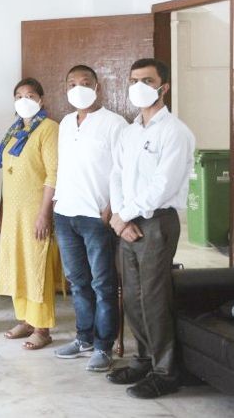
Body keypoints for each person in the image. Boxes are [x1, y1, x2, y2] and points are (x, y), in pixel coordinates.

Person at [107, 58, 194, 399]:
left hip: (156, 221)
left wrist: (124, 215)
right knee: (131, 295)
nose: (139, 86)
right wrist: (120, 216)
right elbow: (116, 174)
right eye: (134, 80)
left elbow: (163, 184)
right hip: (127, 222)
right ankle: (144, 358)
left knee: (154, 297)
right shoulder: (130, 132)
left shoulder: (174, 131)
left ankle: (166, 371)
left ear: (164, 86)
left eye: (147, 79)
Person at [52, 65, 126, 371]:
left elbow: (123, 169)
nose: (78, 88)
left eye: (85, 82)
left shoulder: (115, 123)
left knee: (103, 284)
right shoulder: (67, 123)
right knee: (78, 282)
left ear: (98, 86)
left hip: (96, 217)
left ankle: (103, 346)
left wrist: (113, 205)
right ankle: (84, 338)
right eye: (72, 83)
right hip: (65, 213)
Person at [0, 78, 60, 350]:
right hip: (13, 211)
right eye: (19, 95)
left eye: (30, 95)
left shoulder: (48, 129)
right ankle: (26, 319)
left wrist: (45, 214)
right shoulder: (14, 131)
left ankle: (42, 328)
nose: (24, 100)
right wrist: (0, 207)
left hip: (35, 210)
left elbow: (54, 173)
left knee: (36, 266)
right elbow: (5, 172)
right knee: (16, 264)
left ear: (41, 100)